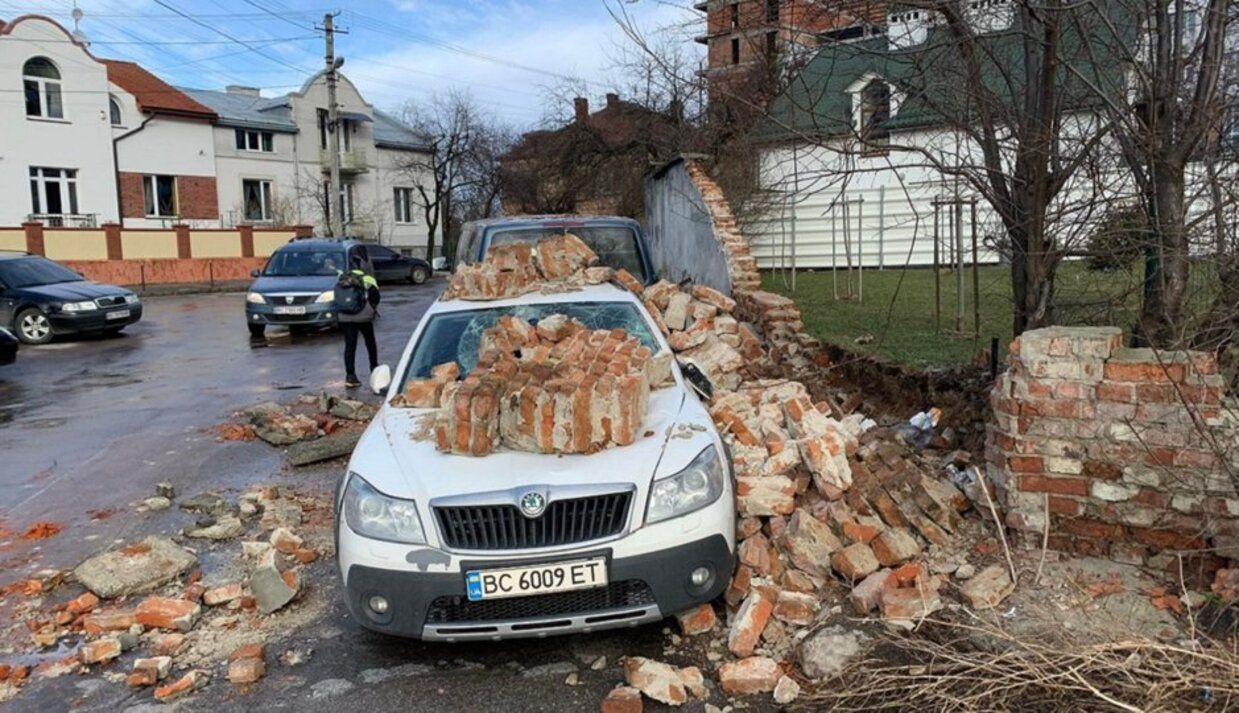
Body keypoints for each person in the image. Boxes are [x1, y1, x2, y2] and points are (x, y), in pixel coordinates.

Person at [338, 255, 380, 388]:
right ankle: (374, 369)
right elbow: (376, 297)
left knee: (350, 346)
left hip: (345, 318)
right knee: (370, 342)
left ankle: (350, 376)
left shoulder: (342, 279)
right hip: (364, 317)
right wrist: (371, 308)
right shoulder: (368, 279)